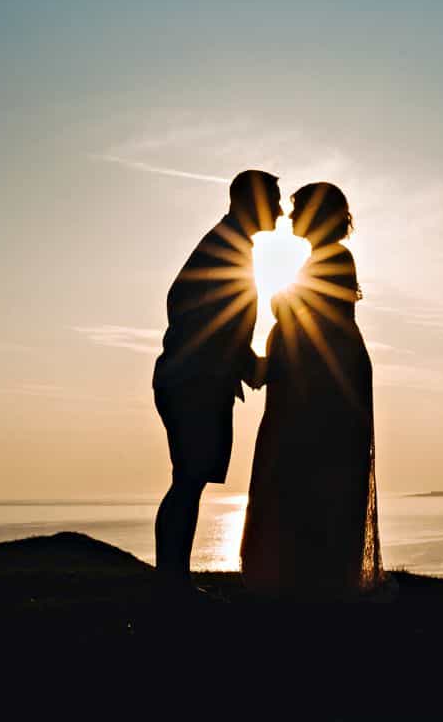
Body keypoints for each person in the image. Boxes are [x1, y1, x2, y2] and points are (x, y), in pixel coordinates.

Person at [240, 181, 383, 598]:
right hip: (312, 378)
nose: (290, 216)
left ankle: (311, 576)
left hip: (324, 385)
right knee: (296, 470)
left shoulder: (336, 259)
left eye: (299, 209)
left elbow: (307, 314)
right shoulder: (323, 259)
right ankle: (296, 573)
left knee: (314, 471)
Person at [152, 169, 282, 589]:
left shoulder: (227, 245)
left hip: (193, 379)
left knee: (188, 482)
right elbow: (207, 314)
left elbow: (207, 313)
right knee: (187, 482)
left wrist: (240, 362)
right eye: (274, 201)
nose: (281, 211)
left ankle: (173, 579)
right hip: (192, 383)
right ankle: (172, 582)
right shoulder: (226, 248)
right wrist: (244, 363)